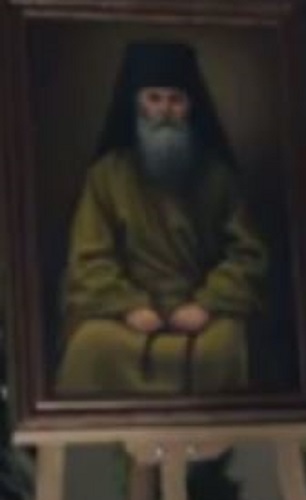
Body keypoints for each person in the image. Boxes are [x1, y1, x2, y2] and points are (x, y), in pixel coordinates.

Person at [54, 40, 268, 396]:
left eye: (175, 100)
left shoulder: (218, 177)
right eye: (154, 99)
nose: (165, 111)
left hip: (200, 312)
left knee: (224, 349)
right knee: (90, 346)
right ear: (137, 104)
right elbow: (89, 258)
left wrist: (206, 304)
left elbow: (247, 255)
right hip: (124, 315)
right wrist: (129, 306)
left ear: (190, 107)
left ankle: (205, 436)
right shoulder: (106, 175)